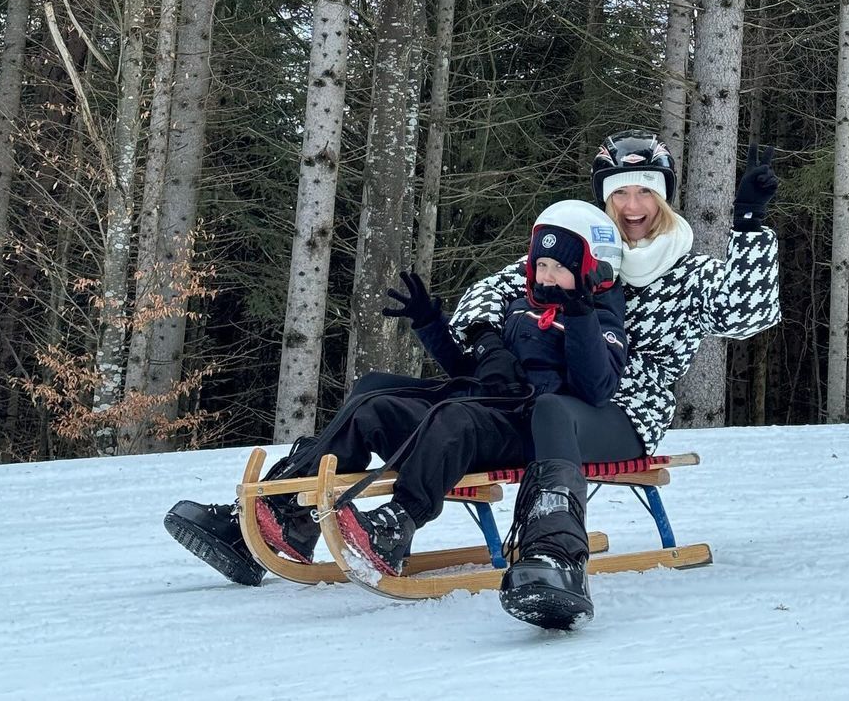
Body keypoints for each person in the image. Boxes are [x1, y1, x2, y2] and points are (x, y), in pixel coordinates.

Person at [165, 199, 630, 626]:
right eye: (541, 264)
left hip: (525, 426)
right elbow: (474, 372)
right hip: (484, 405)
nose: (546, 276)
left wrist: (582, 315)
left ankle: (397, 525)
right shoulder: (519, 309)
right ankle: (285, 515)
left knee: (453, 418)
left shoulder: (599, 320)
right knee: (373, 402)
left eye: (560, 268)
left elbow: (596, 387)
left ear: (591, 271)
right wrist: (432, 326)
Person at [445, 131, 781, 622]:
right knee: (447, 403)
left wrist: (749, 225)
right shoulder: (581, 253)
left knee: (551, 411)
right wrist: (488, 343)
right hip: (548, 397)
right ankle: (317, 505)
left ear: (662, 197)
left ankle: (555, 556)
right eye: (619, 192)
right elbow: (486, 294)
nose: (632, 205)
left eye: (645, 190)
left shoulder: (688, 275)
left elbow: (748, 314)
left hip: (625, 412)